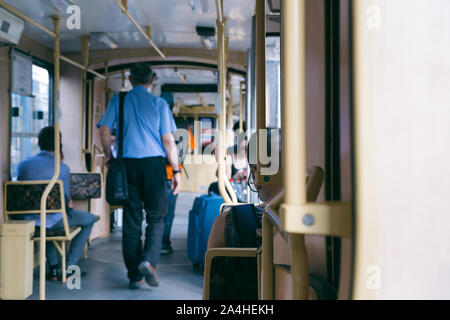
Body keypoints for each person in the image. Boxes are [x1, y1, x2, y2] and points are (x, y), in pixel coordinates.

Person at [97, 63, 181, 289]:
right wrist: (176, 170)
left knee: (131, 220)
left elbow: (104, 131)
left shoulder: (119, 100)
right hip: (154, 166)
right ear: (151, 80)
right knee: (156, 216)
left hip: (126, 166)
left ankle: (135, 275)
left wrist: (109, 157)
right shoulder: (159, 103)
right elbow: (167, 140)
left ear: (131, 80)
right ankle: (149, 261)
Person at [17, 126, 97, 280]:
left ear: (39, 142)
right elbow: (65, 201)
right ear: (58, 145)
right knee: (89, 219)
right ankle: (70, 267)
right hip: (52, 219)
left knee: (45, 220)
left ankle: (53, 268)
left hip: (28, 220)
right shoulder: (61, 168)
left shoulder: (23, 164)